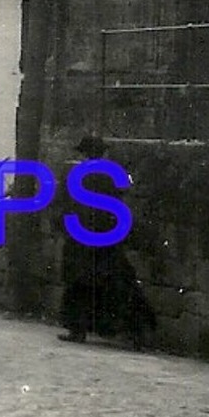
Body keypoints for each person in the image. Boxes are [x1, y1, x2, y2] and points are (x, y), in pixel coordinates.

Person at [58, 134, 157, 349]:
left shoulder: (79, 175)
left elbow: (68, 206)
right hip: (106, 236)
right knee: (118, 283)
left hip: (83, 237)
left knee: (80, 283)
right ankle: (137, 333)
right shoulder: (112, 175)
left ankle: (78, 330)